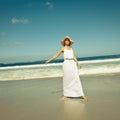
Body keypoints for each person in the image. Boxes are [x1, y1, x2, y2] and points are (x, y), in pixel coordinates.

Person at [45, 36, 87, 101]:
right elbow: (56, 55)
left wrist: (78, 63)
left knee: (76, 78)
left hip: (73, 64)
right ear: (64, 42)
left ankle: (81, 94)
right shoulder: (63, 48)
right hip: (66, 64)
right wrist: (49, 60)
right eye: (65, 40)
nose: (67, 41)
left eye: (68, 40)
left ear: (69, 42)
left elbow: (73, 56)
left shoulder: (71, 49)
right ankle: (66, 95)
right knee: (66, 79)